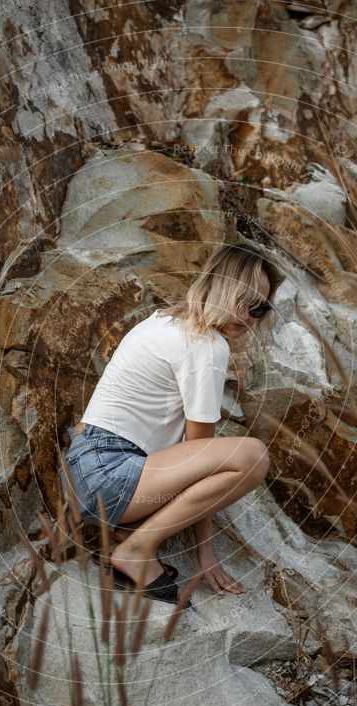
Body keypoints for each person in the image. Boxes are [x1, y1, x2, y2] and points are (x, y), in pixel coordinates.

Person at [59, 242, 279, 604]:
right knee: (253, 456)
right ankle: (136, 548)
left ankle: (123, 533)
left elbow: (191, 458)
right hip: (110, 473)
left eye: (261, 308)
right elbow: (199, 459)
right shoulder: (207, 345)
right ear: (220, 286)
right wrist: (205, 555)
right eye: (245, 300)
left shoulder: (162, 318)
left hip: (86, 470)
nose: (251, 315)